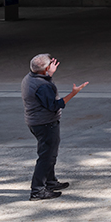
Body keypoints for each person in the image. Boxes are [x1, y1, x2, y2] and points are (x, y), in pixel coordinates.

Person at [21, 53, 87, 200]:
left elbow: (42, 86)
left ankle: (50, 182)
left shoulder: (30, 78)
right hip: (45, 124)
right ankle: (37, 190)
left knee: (48, 154)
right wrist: (73, 93)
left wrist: (48, 74)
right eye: (49, 65)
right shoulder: (43, 86)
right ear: (44, 70)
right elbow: (54, 105)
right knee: (47, 157)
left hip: (36, 122)